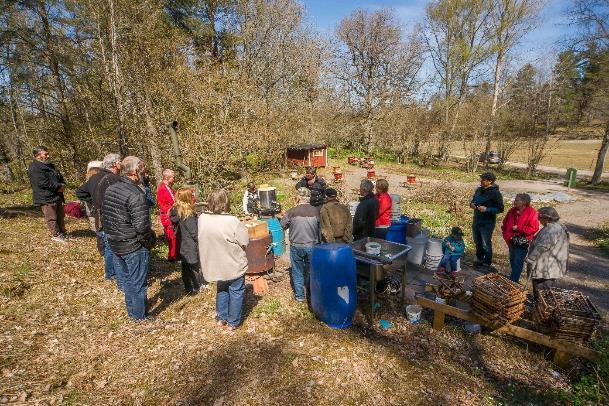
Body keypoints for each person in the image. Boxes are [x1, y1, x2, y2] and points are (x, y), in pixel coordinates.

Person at [102, 156, 156, 320]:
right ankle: (139, 317)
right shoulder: (135, 194)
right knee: (138, 283)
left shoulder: (111, 188)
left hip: (116, 243)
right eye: (142, 170)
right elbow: (142, 228)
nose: (144, 173)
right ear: (134, 172)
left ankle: (133, 312)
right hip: (132, 245)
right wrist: (149, 241)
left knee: (127, 280)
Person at [198, 190, 249, 330]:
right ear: (226, 202)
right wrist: (243, 225)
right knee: (236, 291)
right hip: (233, 263)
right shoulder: (232, 220)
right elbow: (244, 241)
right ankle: (233, 322)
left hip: (215, 263)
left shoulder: (202, 218)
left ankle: (221, 318)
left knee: (222, 289)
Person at [75, 153, 122, 281]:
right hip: (110, 218)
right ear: (115, 164)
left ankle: (110, 273)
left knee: (107, 246)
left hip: (99, 218)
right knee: (112, 246)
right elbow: (79, 192)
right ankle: (114, 274)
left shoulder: (94, 177)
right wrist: (95, 201)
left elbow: (79, 191)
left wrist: (93, 201)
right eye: (120, 162)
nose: (121, 164)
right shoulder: (112, 179)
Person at [281, 187, 320, 303]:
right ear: (309, 198)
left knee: (297, 271)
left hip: (296, 246)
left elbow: (283, 225)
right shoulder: (316, 211)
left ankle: (299, 297)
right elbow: (321, 226)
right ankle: (311, 294)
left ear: (298, 197)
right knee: (311, 270)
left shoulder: (291, 211)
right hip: (312, 245)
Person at [525, 207, 569, 295]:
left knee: (541, 292)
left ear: (547, 218)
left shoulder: (551, 230)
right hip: (548, 265)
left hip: (546, 267)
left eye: (540, 218)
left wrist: (530, 258)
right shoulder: (556, 227)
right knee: (542, 291)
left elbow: (543, 246)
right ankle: (539, 305)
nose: (539, 220)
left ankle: (540, 307)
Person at [27, 146, 67, 243]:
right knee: (51, 217)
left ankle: (62, 233)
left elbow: (59, 176)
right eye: (45, 154)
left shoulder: (50, 165)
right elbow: (42, 183)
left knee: (60, 215)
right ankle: (56, 235)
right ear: (37, 155)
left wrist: (62, 184)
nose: (48, 156)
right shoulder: (34, 168)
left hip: (56, 195)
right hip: (46, 197)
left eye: (47, 153)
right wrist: (58, 187)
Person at [170, 188, 206, 294]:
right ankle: (198, 287)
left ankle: (188, 288)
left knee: (185, 267)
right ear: (187, 198)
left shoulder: (175, 210)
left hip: (181, 243)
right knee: (194, 266)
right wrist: (201, 241)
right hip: (190, 244)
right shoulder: (187, 214)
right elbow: (194, 232)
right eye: (191, 196)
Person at [502, 193, 539, 283]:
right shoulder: (512, 211)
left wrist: (519, 228)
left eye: (517, 200)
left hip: (522, 242)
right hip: (511, 240)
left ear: (524, 202)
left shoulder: (532, 212)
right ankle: (514, 279)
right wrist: (505, 232)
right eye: (515, 199)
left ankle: (512, 282)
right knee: (512, 259)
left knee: (518, 261)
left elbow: (534, 228)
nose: (515, 201)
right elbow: (505, 222)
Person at [470, 172, 504, 269]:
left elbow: (500, 209)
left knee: (485, 244)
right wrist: (471, 204)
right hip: (476, 220)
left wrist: (487, 209)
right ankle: (479, 260)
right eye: (481, 178)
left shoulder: (496, 193)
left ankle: (486, 263)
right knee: (477, 241)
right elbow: (473, 201)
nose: (481, 180)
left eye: (483, 179)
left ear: (490, 181)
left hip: (487, 223)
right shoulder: (478, 190)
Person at [157, 169, 177, 261]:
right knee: (171, 236)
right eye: (173, 177)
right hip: (167, 215)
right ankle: (172, 256)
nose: (174, 178)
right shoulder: (163, 188)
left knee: (173, 236)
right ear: (167, 177)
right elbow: (173, 201)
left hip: (170, 214)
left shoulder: (169, 188)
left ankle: (174, 254)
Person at [84, 161, 103, 232]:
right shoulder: (89, 183)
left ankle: (98, 232)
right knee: (93, 218)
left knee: (95, 218)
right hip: (92, 205)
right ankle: (97, 232)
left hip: (94, 205)